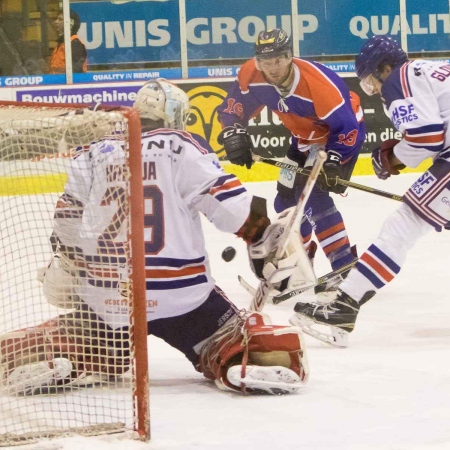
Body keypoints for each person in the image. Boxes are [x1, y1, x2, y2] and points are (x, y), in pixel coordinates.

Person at [0, 79, 310, 396]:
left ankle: (63, 352)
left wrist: (70, 264)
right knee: (240, 338)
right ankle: (245, 357)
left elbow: (66, 220)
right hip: (182, 298)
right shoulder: (182, 146)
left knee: (91, 334)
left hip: (110, 297)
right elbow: (232, 210)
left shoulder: (93, 152)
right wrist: (262, 235)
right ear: (175, 115)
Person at [292, 35, 450, 347]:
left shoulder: (400, 78)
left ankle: (344, 306)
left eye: (370, 82)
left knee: (402, 226)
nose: (374, 90)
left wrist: (389, 158)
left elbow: (427, 138)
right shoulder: (433, 70)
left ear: (385, 67)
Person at [217, 28, 365, 301]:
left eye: (277, 60)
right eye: (266, 61)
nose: (272, 68)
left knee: (313, 195)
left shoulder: (319, 86)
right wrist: (233, 131)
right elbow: (233, 107)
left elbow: (347, 127)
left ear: (289, 57)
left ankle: (345, 268)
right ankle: (300, 262)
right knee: (284, 201)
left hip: (340, 137)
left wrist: (333, 161)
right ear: (258, 61)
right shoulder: (253, 75)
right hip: (303, 140)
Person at [49, 9, 87, 74]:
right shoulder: (62, 43)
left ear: (71, 23)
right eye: (57, 19)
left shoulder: (74, 43)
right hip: (58, 82)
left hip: (68, 82)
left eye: (60, 19)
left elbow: (77, 70)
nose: (56, 22)